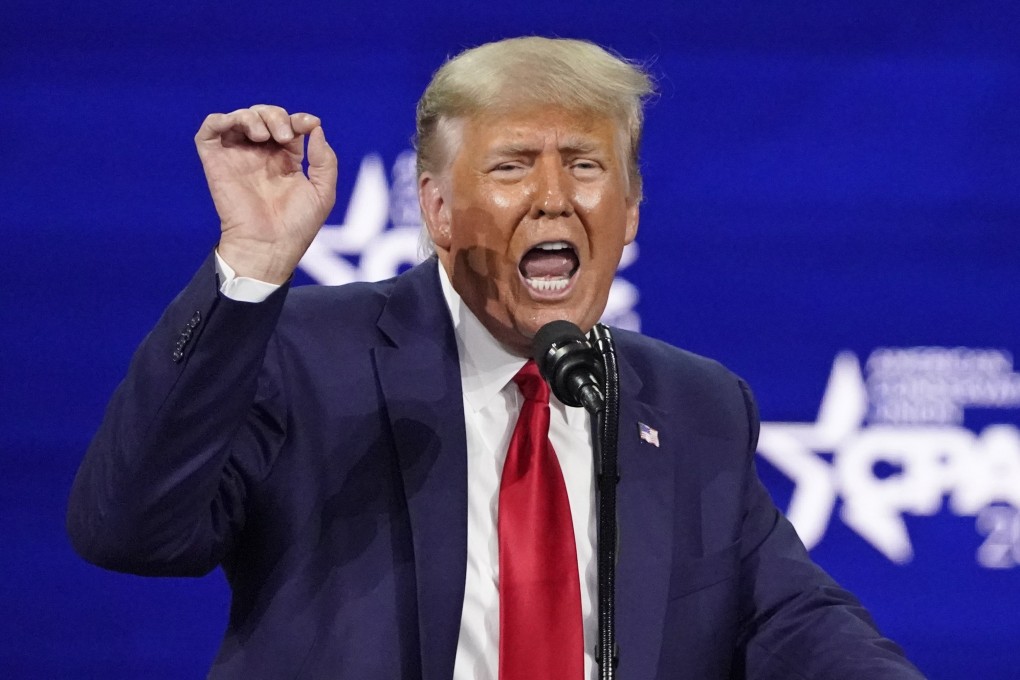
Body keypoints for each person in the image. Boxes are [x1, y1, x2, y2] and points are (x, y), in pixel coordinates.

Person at [67, 37, 925, 679]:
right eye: (514, 165)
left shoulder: (690, 402)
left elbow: (794, 620)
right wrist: (251, 266)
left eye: (586, 165)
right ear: (437, 211)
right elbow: (128, 531)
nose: (554, 196)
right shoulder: (305, 354)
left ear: (629, 210)